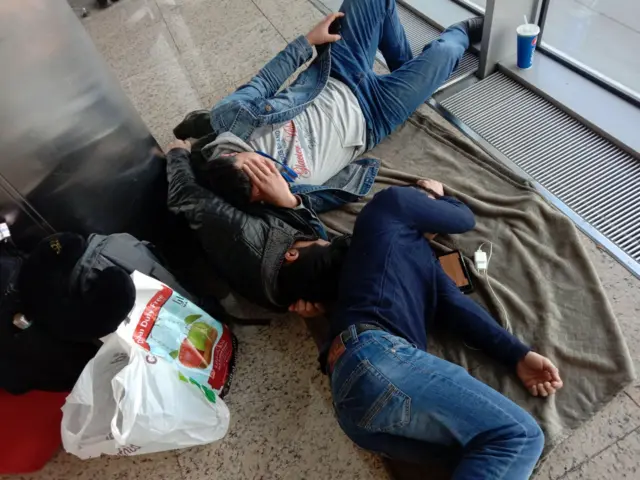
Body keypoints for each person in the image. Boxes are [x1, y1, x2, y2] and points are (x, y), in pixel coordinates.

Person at [306, 181, 563, 479]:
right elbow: (464, 219)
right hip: (376, 362)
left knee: (481, 453)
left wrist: (517, 356)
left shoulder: (423, 259)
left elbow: (460, 311)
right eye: (429, 203)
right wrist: (443, 194)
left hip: (357, 407)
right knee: (517, 437)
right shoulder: (389, 203)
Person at [174, 0, 482, 211]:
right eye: (265, 175)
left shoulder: (231, 119)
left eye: (257, 162)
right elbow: (313, 237)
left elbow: (266, 79)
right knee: (446, 51)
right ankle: (460, 34)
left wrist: (307, 41)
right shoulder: (278, 202)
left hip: (336, 74)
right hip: (375, 115)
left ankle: (406, 69)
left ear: (232, 153)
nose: (269, 168)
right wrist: (290, 202)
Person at [164, 139, 351, 310]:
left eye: (321, 242)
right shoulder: (291, 289)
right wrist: (290, 202)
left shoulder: (239, 232)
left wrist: (177, 153)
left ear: (292, 254)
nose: (320, 237)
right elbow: (311, 230)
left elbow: (185, 194)